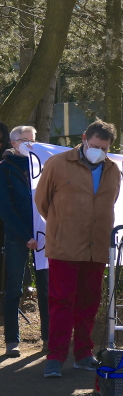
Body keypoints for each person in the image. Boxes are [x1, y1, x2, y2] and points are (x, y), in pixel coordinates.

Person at [35, 120, 121, 378]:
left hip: (96, 249)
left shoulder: (112, 170)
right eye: (95, 145)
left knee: (88, 303)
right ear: (84, 139)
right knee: (61, 303)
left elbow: (111, 202)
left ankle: (84, 353)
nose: (99, 151)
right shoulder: (57, 164)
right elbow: (43, 203)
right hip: (64, 247)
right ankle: (55, 357)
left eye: (104, 148)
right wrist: (64, 227)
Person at [1, 126, 49, 357]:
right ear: (13, 144)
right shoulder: (4, 170)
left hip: (43, 236)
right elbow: (6, 209)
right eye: (23, 140)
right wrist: (25, 236)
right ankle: (12, 341)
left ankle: (49, 338)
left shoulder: (44, 166)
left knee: (46, 288)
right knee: (14, 289)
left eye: (33, 140)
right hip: (16, 237)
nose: (29, 144)